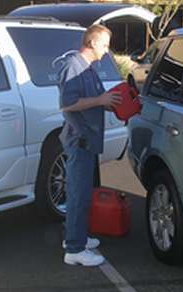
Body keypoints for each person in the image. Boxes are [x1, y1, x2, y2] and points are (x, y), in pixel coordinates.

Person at [57, 24, 122, 267]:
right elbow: (67, 104)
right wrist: (100, 100)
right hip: (80, 141)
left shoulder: (88, 68)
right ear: (93, 43)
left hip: (87, 141)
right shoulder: (74, 66)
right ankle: (74, 250)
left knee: (81, 192)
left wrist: (109, 102)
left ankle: (76, 237)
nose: (107, 50)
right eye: (105, 44)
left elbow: (93, 101)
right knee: (78, 194)